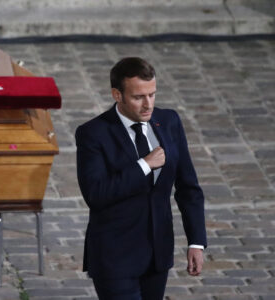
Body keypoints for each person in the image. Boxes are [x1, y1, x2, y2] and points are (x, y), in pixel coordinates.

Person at [75, 57, 207, 300]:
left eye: (152, 94)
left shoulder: (168, 121)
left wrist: (196, 242)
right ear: (117, 95)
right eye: (138, 97)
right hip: (115, 257)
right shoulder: (93, 133)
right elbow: (95, 194)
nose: (148, 104)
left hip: (157, 256)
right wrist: (144, 165)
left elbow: (188, 188)